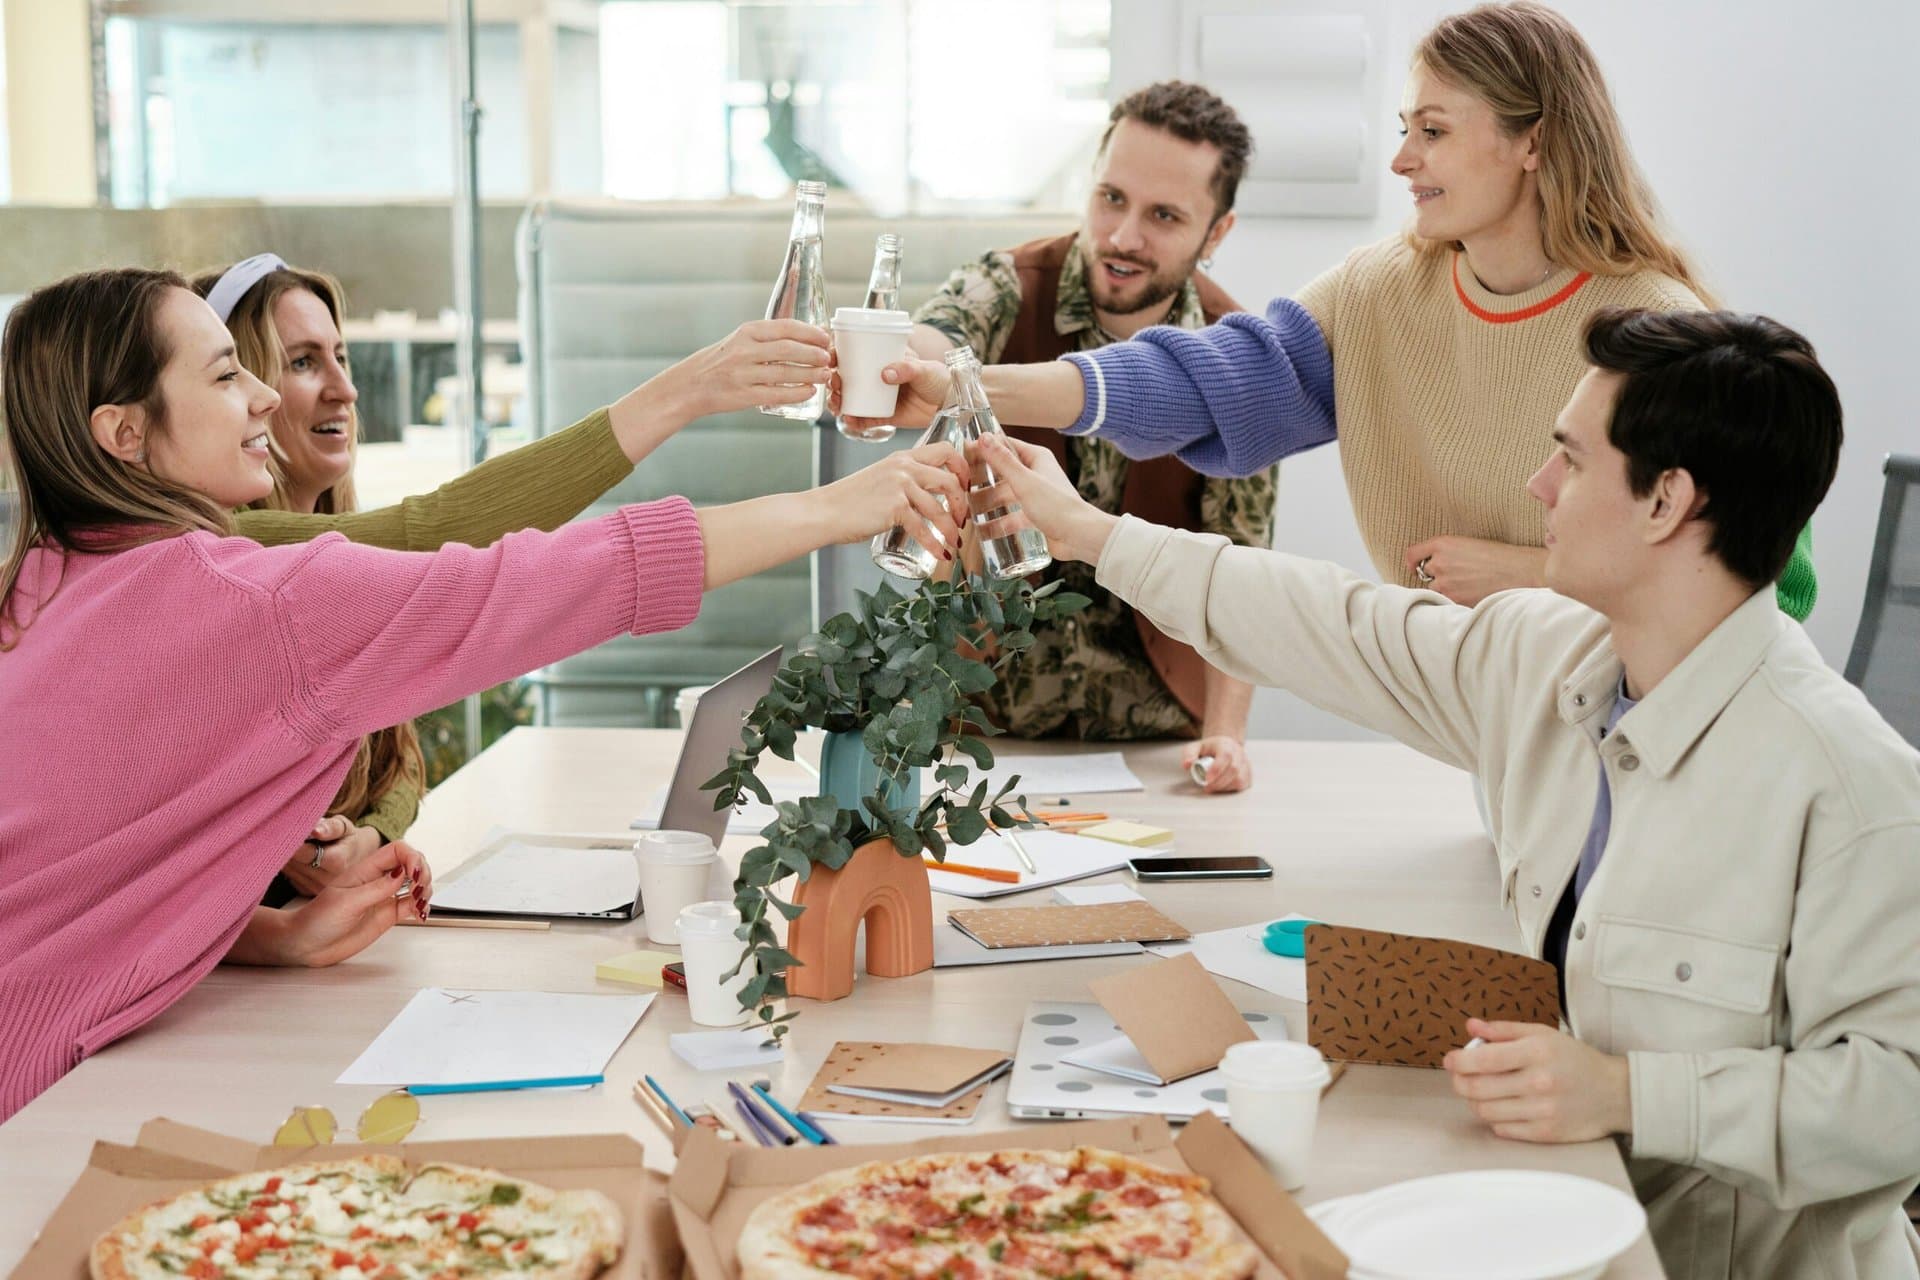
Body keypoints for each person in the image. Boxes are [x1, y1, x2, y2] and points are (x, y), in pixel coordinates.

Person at [972, 307, 1920, 1279]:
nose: (1538, 484)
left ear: (1665, 502)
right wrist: (1092, 533)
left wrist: (1630, 1093)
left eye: (1571, 460)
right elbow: (1336, 626)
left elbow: (1900, 1101)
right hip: (1560, 1214)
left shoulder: (1851, 787)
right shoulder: (1547, 654)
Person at [0, 267, 968, 1120]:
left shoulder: (38, 584)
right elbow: (540, 580)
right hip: (36, 1094)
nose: (261, 395)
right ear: (124, 432)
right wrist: (840, 506)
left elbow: (73, 883)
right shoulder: (250, 601)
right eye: (224, 376)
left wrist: (264, 938)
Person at [854, 1, 1818, 621]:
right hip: (1489, 735)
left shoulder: (1654, 329)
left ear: (1533, 142)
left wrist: (1533, 578)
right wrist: (969, 387)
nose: (1402, 160)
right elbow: (1201, 381)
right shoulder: (1380, 294)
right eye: (1404, 128)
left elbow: (1773, 588)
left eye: (1433, 131)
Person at [188, 253, 837, 920]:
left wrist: (371, 836)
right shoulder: (233, 549)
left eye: (341, 357)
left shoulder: (323, 548)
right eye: (302, 362)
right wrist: (689, 390)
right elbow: (438, 528)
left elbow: (397, 754)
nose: (344, 389)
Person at [907, 82, 1270, 794]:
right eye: (1111, 198)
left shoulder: (1238, 358)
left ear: (1216, 233)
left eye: (1163, 215)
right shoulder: (1006, 286)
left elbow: (1240, 565)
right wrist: (912, 362)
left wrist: (1226, 735)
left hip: (1159, 742)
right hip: (981, 727)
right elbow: (939, 334)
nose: (1123, 236)